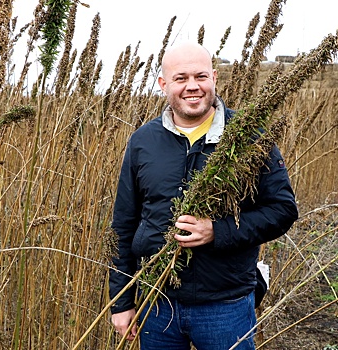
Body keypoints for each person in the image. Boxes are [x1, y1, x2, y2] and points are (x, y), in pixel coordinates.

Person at [109, 41, 298, 350]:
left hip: (226, 305)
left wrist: (217, 231)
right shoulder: (143, 141)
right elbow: (123, 222)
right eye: (181, 78)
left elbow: (282, 210)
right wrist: (121, 301)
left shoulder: (249, 136)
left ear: (214, 79)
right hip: (157, 304)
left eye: (200, 77)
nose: (192, 87)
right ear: (163, 84)